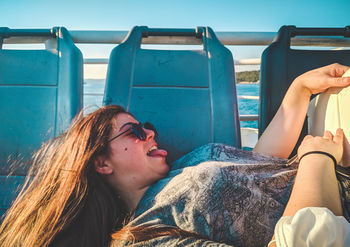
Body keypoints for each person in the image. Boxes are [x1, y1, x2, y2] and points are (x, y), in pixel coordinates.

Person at [0, 63, 349, 247]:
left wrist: (299, 89)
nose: (150, 133)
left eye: (146, 126)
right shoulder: (145, 235)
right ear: (101, 163)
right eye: (134, 132)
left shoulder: (180, 168)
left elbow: (258, 166)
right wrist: (316, 162)